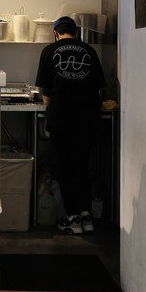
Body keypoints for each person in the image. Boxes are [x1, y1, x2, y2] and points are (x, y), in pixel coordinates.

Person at [35, 15, 106, 235]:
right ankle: (87, 216)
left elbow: (45, 92)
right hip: (88, 116)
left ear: (55, 32)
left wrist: (51, 103)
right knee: (82, 165)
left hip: (62, 116)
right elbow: (99, 87)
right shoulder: (90, 51)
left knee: (65, 167)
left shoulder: (48, 51)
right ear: (76, 32)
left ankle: (73, 218)